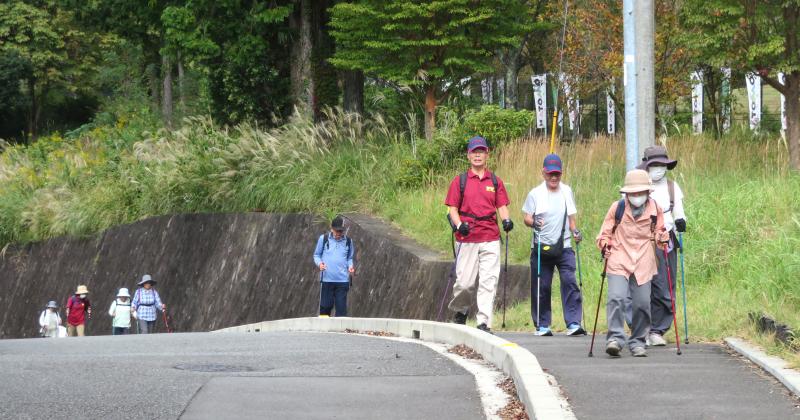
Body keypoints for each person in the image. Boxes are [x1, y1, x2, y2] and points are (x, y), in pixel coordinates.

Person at [596, 169, 669, 357]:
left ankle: (637, 341)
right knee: (616, 298)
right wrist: (605, 244)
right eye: (633, 192)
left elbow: (659, 236)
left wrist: (663, 238)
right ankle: (615, 339)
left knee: (642, 304)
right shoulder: (617, 208)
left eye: (640, 192)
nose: (636, 196)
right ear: (627, 193)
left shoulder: (655, 209)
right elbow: (604, 233)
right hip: (619, 256)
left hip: (644, 259)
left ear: (647, 192)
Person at [444, 135, 513, 333]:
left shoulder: (495, 181)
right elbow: (452, 210)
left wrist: (506, 220)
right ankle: (461, 311)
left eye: (481, 151)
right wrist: (459, 226)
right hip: (467, 238)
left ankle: (484, 322)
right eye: (474, 152)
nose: (477, 155)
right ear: (468, 155)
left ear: (487, 154)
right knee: (464, 283)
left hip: (490, 237)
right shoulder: (460, 181)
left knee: (488, 281)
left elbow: (502, 206)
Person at [522, 153, 585, 336]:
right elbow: (526, 217)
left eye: (557, 174)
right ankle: (542, 324)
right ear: (543, 173)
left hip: (564, 246)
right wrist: (533, 222)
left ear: (561, 173)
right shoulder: (535, 193)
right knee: (542, 285)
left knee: (569, 281)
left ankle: (573, 323)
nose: (554, 177)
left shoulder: (567, 191)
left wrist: (575, 232)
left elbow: (571, 218)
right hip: (541, 247)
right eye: (550, 174)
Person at [636, 145, 687, 347]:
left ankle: (658, 329)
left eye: (661, 165)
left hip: (666, 241)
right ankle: (642, 329)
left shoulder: (673, 187)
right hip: (642, 241)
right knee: (642, 286)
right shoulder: (638, 186)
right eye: (654, 165)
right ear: (647, 166)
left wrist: (681, 221)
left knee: (665, 286)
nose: (658, 169)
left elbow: (679, 212)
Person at [313, 216, 356, 317]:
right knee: (325, 307)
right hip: (327, 280)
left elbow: (350, 258)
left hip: (342, 281)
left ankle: (339, 331)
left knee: (341, 309)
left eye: (341, 231)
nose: (338, 234)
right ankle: (324, 329)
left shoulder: (349, 242)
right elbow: (316, 255)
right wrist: (320, 264)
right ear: (331, 228)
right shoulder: (324, 239)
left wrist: (350, 266)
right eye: (336, 231)